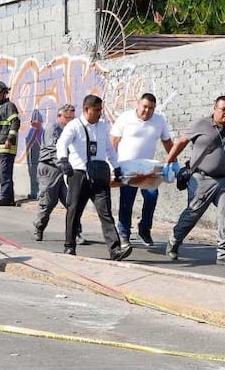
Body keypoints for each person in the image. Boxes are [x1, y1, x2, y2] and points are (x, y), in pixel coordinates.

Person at [162, 95, 225, 266]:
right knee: (192, 215)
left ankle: (224, 254)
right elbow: (181, 142)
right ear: (214, 108)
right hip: (201, 179)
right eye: (223, 109)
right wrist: (169, 161)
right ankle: (174, 240)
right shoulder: (200, 124)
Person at [56, 94, 131, 260]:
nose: (99, 113)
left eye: (100, 110)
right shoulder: (74, 126)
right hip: (79, 175)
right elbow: (62, 143)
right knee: (74, 211)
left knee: (105, 212)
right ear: (86, 110)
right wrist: (63, 160)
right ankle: (69, 246)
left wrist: (116, 167)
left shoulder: (103, 125)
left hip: (99, 175)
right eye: (96, 110)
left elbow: (109, 149)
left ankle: (115, 250)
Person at [111, 93, 173, 248]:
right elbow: (113, 141)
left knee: (152, 196)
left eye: (151, 108)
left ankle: (144, 229)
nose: (147, 111)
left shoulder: (159, 121)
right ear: (138, 104)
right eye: (145, 107)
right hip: (126, 167)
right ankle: (124, 233)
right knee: (127, 200)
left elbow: (167, 142)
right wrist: (111, 164)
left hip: (148, 168)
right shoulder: (125, 118)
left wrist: (174, 162)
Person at [32, 104, 87, 244]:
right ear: (59, 116)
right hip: (50, 169)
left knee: (71, 204)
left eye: (72, 117)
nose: (70, 120)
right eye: (67, 117)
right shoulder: (53, 128)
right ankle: (39, 227)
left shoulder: (72, 129)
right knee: (48, 202)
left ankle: (76, 233)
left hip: (65, 171)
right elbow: (53, 150)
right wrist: (65, 163)